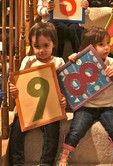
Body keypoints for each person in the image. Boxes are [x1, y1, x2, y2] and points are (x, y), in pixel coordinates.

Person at [57, 26, 113, 166]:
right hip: (85, 106)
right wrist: (72, 59)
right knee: (76, 130)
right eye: (101, 44)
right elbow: (69, 77)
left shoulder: (111, 62)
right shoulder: (81, 58)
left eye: (108, 43)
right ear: (89, 47)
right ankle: (64, 157)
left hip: (106, 107)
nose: (107, 47)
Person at [9, 21, 66, 166]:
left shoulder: (58, 62)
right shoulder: (28, 61)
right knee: (15, 130)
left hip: (49, 110)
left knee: (53, 131)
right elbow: (20, 83)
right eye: (37, 46)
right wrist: (14, 89)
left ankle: (46, 163)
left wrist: (63, 100)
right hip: (29, 109)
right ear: (32, 46)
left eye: (46, 45)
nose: (41, 50)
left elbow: (63, 87)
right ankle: (17, 162)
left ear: (54, 44)